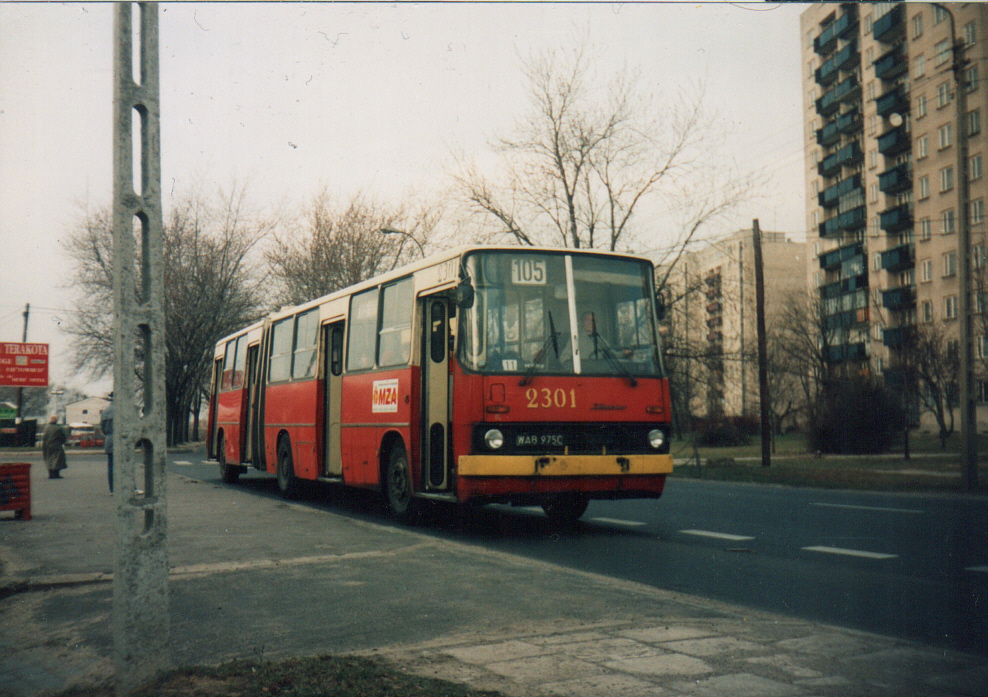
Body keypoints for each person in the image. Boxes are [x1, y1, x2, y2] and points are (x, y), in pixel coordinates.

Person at [41, 415, 67, 480]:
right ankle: (56, 474)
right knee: (57, 460)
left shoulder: (46, 428)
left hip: (47, 446)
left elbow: (44, 437)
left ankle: (50, 474)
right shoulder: (57, 428)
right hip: (56, 445)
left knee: (49, 459)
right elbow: (62, 438)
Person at [101, 395, 114, 494]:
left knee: (111, 466)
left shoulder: (106, 411)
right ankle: (132, 487)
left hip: (109, 440)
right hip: (121, 439)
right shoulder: (124, 409)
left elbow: (103, 428)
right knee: (126, 463)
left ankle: (112, 489)